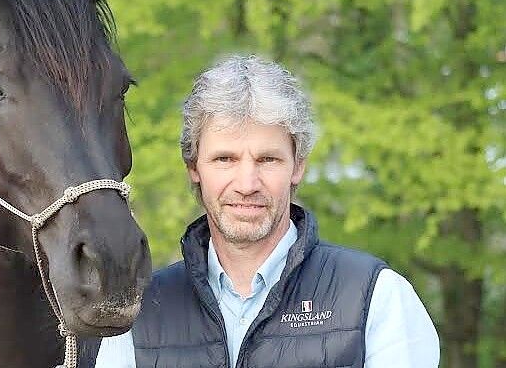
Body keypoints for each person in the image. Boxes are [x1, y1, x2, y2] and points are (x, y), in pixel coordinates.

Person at [95, 55, 439, 368]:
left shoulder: (376, 297)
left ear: (297, 167)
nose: (247, 183)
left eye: (267, 159)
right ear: (193, 167)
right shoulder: (139, 314)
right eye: (225, 159)